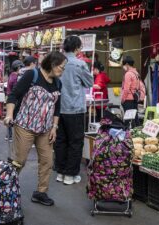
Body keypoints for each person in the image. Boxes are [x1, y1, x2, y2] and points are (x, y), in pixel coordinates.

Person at [4, 51, 67, 207]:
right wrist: (9, 115)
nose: (62, 70)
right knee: (19, 161)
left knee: (47, 161)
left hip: (45, 129)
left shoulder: (58, 83)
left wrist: (54, 127)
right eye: (61, 67)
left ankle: (41, 192)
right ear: (52, 64)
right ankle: (6, 190)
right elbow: (14, 95)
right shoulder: (32, 75)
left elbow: (57, 107)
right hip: (25, 125)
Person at [54, 36, 93, 185]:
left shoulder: (57, 62)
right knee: (75, 142)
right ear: (77, 48)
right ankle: (70, 174)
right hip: (75, 108)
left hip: (59, 108)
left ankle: (61, 172)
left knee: (61, 140)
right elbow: (89, 82)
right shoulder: (80, 64)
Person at [121, 56, 146, 125]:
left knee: (128, 119)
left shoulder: (128, 74)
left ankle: (128, 133)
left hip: (128, 99)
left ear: (126, 64)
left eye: (123, 65)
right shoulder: (136, 73)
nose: (123, 67)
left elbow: (126, 89)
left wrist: (123, 99)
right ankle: (136, 131)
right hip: (135, 98)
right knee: (135, 117)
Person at [5, 60, 24, 142]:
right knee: (14, 116)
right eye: (21, 67)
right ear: (18, 67)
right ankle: (12, 136)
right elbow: (16, 89)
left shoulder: (12, 75)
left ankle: (8, 135)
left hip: (9, 97)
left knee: (10, 115)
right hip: (13, 99)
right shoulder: (15, 76)